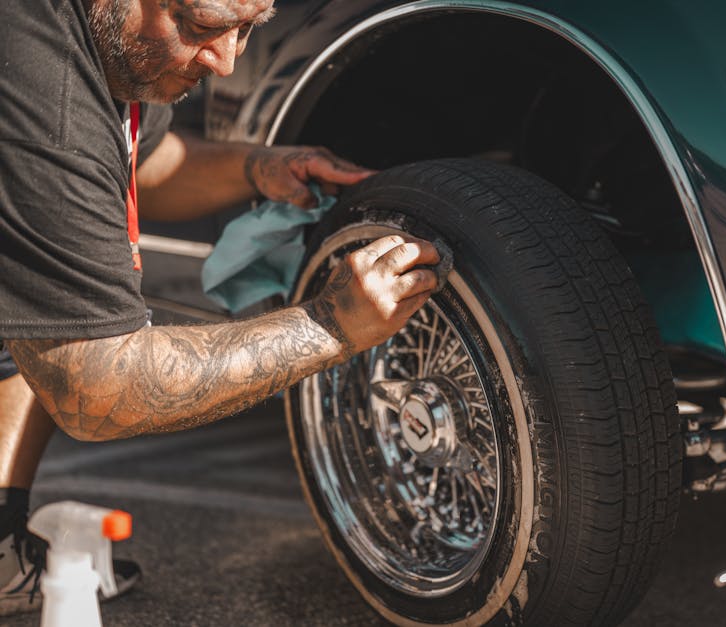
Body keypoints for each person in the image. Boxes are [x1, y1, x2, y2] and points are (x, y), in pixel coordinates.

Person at [0, 0, 441, 613]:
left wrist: (261, 167)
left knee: (50, 287)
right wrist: (331, 325)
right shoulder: (39, 92)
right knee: (63, 319)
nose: (227, 62)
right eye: (203, 27)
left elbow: (144, 163)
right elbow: (95, 386)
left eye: (248, 28)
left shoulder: (108, 47)